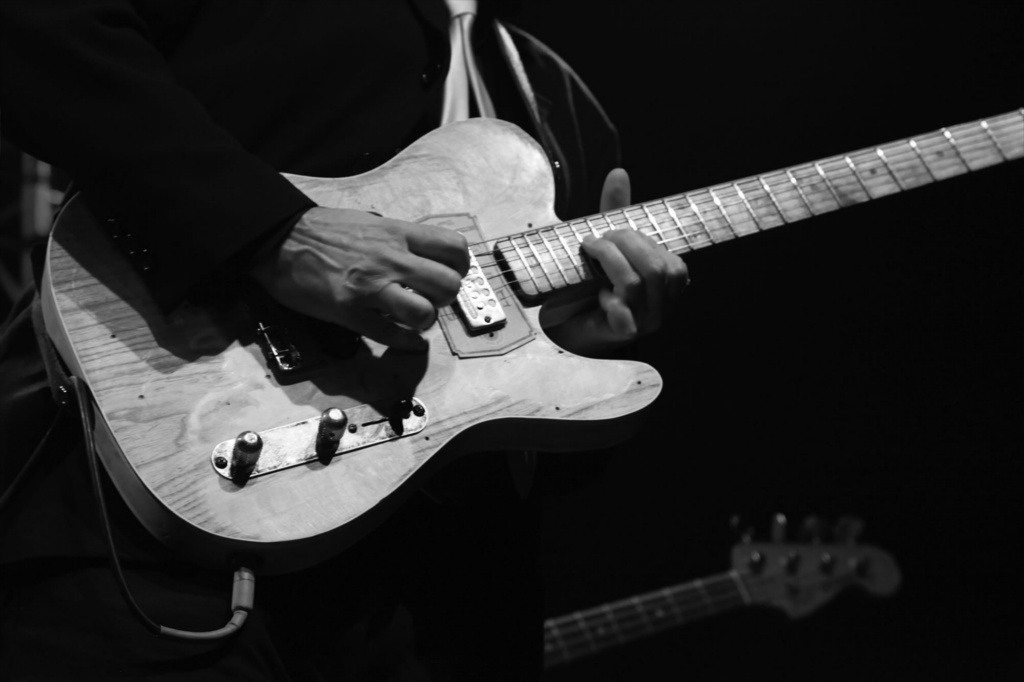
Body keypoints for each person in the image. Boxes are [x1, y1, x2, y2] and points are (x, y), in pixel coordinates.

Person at [0, 1, 687, 679]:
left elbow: (534, 437)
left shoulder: (558, 99)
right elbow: (39, 28)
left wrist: (571, 346)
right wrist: (274, 235)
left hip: (438, 616)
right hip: (152, 543)